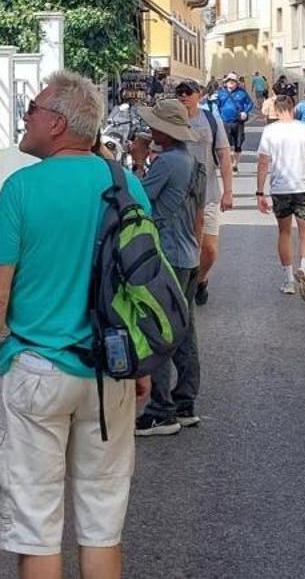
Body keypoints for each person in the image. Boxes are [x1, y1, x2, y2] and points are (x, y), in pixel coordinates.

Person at [0, 71, 150, 579]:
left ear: (59, 123)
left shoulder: (22, 188)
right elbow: (138, 281)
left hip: (37, 368)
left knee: (38, 525)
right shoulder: (126, 184)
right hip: (108, 367)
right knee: (101, 522)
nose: (24, 116)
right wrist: (142, 363)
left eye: (32, 108)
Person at [133, 97, 205, 435]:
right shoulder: (193, 162)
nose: (149, 130)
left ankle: (161, 409)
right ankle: (185, 400)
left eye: (154, 126)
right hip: (188, 253)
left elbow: (136, 199)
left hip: (167, 253)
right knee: (184, 329)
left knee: (159, 329)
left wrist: (137, 162)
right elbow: (198, 213)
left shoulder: (167, 163)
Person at [255, 92, 305, 302]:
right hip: (304, 187)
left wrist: (260, 192)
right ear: (294, 109)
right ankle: (304, 269)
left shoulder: (269, 131)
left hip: (280, 189)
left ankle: (288, 279)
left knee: (284, 233)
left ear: (276, 111)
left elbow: (263, 163)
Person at [174, 79, 233, 305]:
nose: (183, 95)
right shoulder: (171, 121)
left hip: (207, 193)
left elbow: (225, 156)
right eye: (179, 91)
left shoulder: (211, 119)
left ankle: (201, 279)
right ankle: (185, 288)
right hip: (178, 196)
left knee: (208, 249)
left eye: (188, 91)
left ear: (199, 95)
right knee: (183, 246)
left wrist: (228, 191)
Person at [213, 73, 253, 153]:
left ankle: (235, 164)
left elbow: (250, 103)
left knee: (238, 145)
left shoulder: (242, 92)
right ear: (226, 82)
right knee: (225, 144)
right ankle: (228, 163)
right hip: (224, 122)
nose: (231, 82)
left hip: (238, 121)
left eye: (233, 81)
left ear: (236, 83)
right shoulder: (220, 93)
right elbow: (216, 105)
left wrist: (245, 112)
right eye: (229, 81)